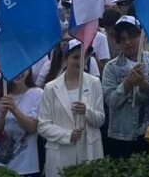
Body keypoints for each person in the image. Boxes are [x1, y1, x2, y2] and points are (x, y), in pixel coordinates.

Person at [101, 15, 149, 157]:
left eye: (132, 37)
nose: (127, 42)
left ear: (141, 37)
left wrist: (145, 85)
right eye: (123, 39)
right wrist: (127, 84)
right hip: (120, 136)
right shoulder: (111, 68)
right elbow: (110, 101)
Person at [37, 39, 105, 177]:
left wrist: (87, 111)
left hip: (88, 151)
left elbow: (100, 120)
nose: (80, 61)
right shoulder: (50, 88)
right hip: (60, 154)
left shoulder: (94, 83)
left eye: (84, 57)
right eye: (75, 57)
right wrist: (68, 135)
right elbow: (42, 126)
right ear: (66, 59)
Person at [0, 69, 42, 175]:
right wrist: (2, 115)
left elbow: (32, 128)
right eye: (15, 68)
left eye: (24, 68)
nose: (19, 72)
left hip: (26, 167)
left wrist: (14, 110)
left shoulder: (37, 94)